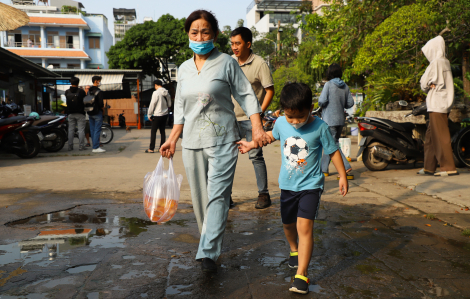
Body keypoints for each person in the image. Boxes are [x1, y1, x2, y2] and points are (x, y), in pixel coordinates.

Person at [160, 9, 271, 273]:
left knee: (219, 196)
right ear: (188, 34)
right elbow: (180, 107)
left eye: (205, 31)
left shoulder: (226, 62)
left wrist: (257, 127)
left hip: (223, 140)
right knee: (200, 197)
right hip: (192, 142)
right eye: (194, 32)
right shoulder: (184, 69)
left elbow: (246, 95)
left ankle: (208, 252)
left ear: (215, 34)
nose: (199, 36)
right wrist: (173, 138)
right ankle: (208, 241)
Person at [237, 83, 348, 294]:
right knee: (288, 225)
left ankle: (302, 274)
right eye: (290, 117)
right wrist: (251, 144)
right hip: (287, 186)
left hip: (311, 187)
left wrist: (342, 175)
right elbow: (270, 137)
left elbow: (333, 151)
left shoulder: (320, 127)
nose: (295, 122)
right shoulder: (280, 123)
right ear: (283, 112)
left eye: (300, 116)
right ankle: (294, 249)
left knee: (304, 229)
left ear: (311, 108)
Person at [230, 26, 275, 209]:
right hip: (230, 119)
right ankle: (226, 196)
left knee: (256, 155)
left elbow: (269, 90)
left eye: (238, 43)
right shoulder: (229, 62)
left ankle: (263, 194)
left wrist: (259, 113)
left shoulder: (259, 63)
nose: (234, 47)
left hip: (251, 120)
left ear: (248, 44)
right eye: (232, 44)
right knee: (227, 157)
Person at [419, 36, 458, 176]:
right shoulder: (445, 62)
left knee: (441, 137)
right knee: (430, 137)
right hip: (443, 103)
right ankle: (429, 167)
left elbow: (423, 83)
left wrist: (428, 84)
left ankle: (448, 167)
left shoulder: (436, 63)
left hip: (437, 104)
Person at [318, 63, 354, 179]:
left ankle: (346, 165)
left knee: (332, 145)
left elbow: (322, 101)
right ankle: (323, 169)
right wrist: (340, 103)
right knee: (331, 143)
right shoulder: (345, 86)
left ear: (329, 73)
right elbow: (350, 104)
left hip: (329, 120)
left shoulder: (328, 85)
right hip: (340, 120)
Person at [146, 80, 172, 153]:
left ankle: (151, 148)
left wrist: (149, 114)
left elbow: (152, 104)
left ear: (156, 85)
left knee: (153, 131)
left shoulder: (156, 93)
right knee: (162, 131)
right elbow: (169, 104)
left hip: (157, 115)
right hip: (165, 114)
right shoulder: (167, 93)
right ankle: (162, 148)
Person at [65, 77, 87, 151]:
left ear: (71, 83)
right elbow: (85, 100)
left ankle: (70, 147)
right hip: (80, 113)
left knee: (71, 130)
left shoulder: (67, 92)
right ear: (78, 83)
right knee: (81, 130)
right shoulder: (81, 91)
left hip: (70, 113)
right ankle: (81, 146)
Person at [87, 76, 105, 153]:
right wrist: (103, 110)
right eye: (99, 81)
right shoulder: (99, 91)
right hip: (97, 112)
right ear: (96, 81)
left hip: (90, 112)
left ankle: (94, 146)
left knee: (92, 130)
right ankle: (95, 147)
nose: (100, 82)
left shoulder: (89, 91)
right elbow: (101, 104)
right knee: (97, 130)